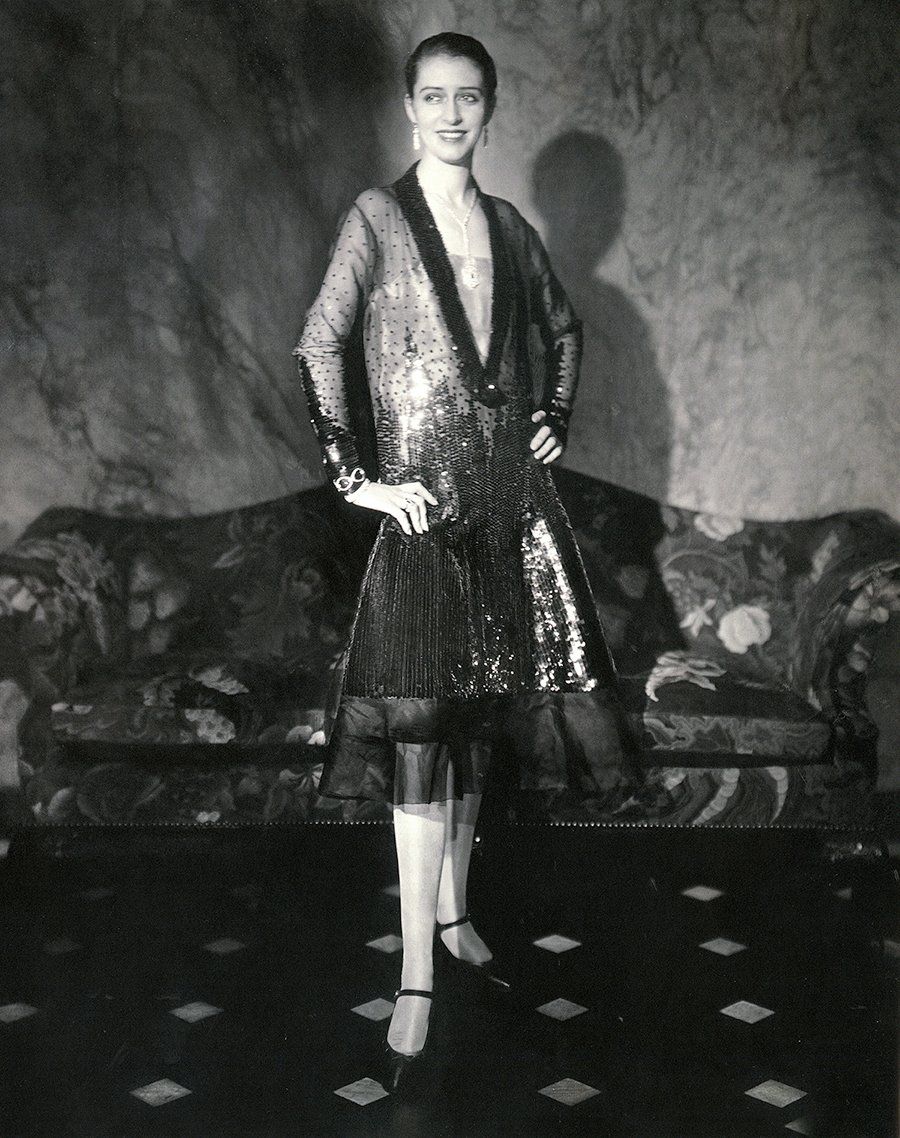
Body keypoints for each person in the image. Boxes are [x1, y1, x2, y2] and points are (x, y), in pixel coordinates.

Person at [292, 32, 636, 1093]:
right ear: (409, 107)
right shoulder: (376, 217)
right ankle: (413, 974)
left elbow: (562, 331)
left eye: (469, 97)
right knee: (418, 728)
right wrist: (356, 477)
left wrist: (552, 416)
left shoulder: (510, 226)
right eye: (433, 96)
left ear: (490, 109)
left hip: (505, 504)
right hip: (422, 514)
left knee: (478, 714)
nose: (451, 114)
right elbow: (319, 342)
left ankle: (454, 915)